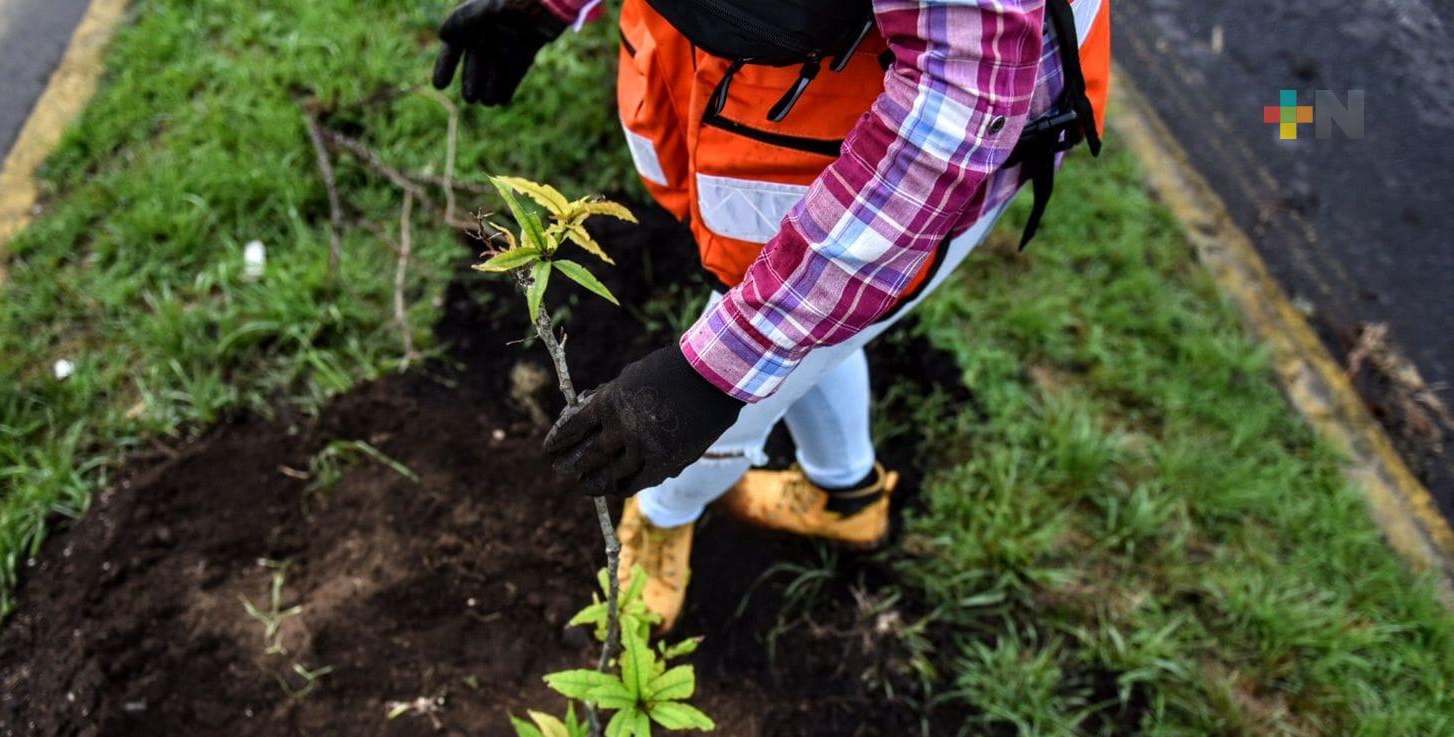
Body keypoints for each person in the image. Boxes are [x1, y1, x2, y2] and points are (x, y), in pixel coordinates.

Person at [433, 0, 1110, 628]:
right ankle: (846, 498)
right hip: (744, 107)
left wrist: (714, 374)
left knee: (745, 364)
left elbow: (965, 96)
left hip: (887, 164)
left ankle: (665, 519)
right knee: (818, 336)